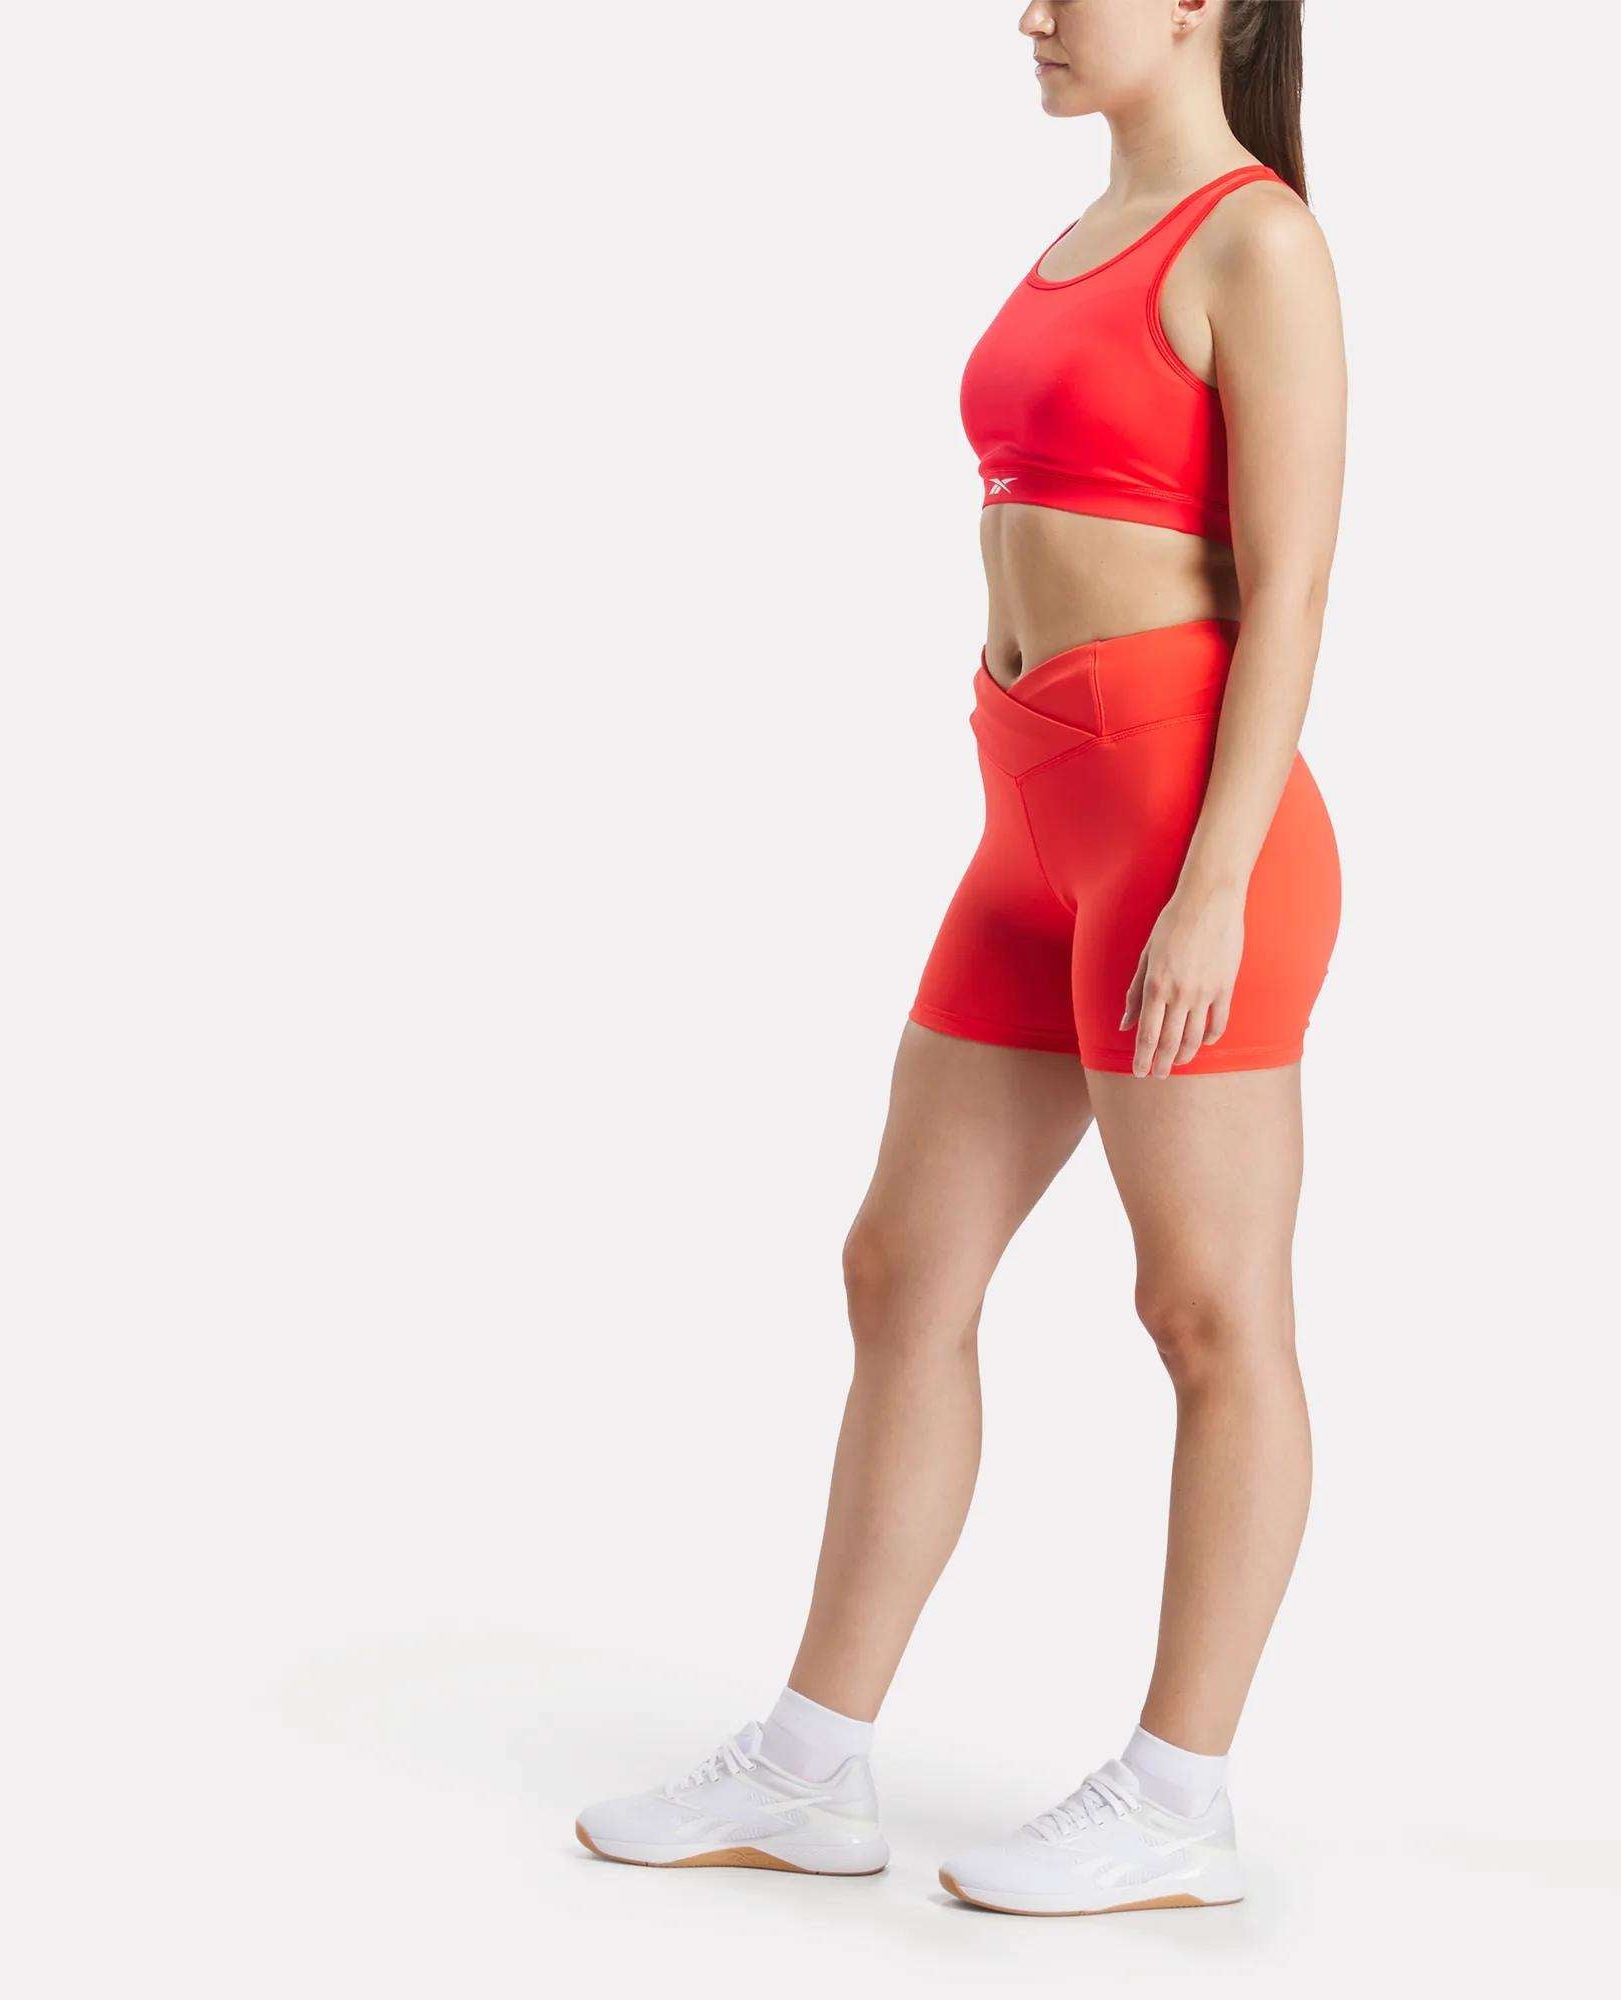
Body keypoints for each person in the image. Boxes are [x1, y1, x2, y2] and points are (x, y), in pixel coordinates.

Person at [578, 0, 1344, 1917]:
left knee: (1206, 1312)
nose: (1030, 13)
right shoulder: (1082, 232)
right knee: (900, 1264)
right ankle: (812, 1762)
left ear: (1201, 4)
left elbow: (1301, 582)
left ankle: (1179, 1795)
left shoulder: (1258, 240)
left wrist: (1215, 882)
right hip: (1027, 825)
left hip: (1179, 832)